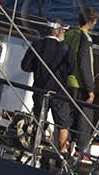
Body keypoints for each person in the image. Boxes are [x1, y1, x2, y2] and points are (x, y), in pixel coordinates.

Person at [20, 21, 75, 155]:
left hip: (40, 89)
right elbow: (71, 70)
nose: (64, 34)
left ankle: (34, 147)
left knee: (39, 119)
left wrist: (38, 68)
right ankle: (61, 153)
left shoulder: (37, 45)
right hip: (59, 92)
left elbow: (25, 66)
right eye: (63, 31)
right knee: (63, 124)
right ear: (57, 32)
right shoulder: (65, 49)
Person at [63, 7, 99, 160]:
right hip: (79, 84)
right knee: (85, 117)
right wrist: (90, 89)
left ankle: (66, 144)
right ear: (91, 22)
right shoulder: (86, 38)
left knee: (68, 114)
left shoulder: (69, 34)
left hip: (66, 81)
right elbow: (85, 65)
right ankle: (80, 150)